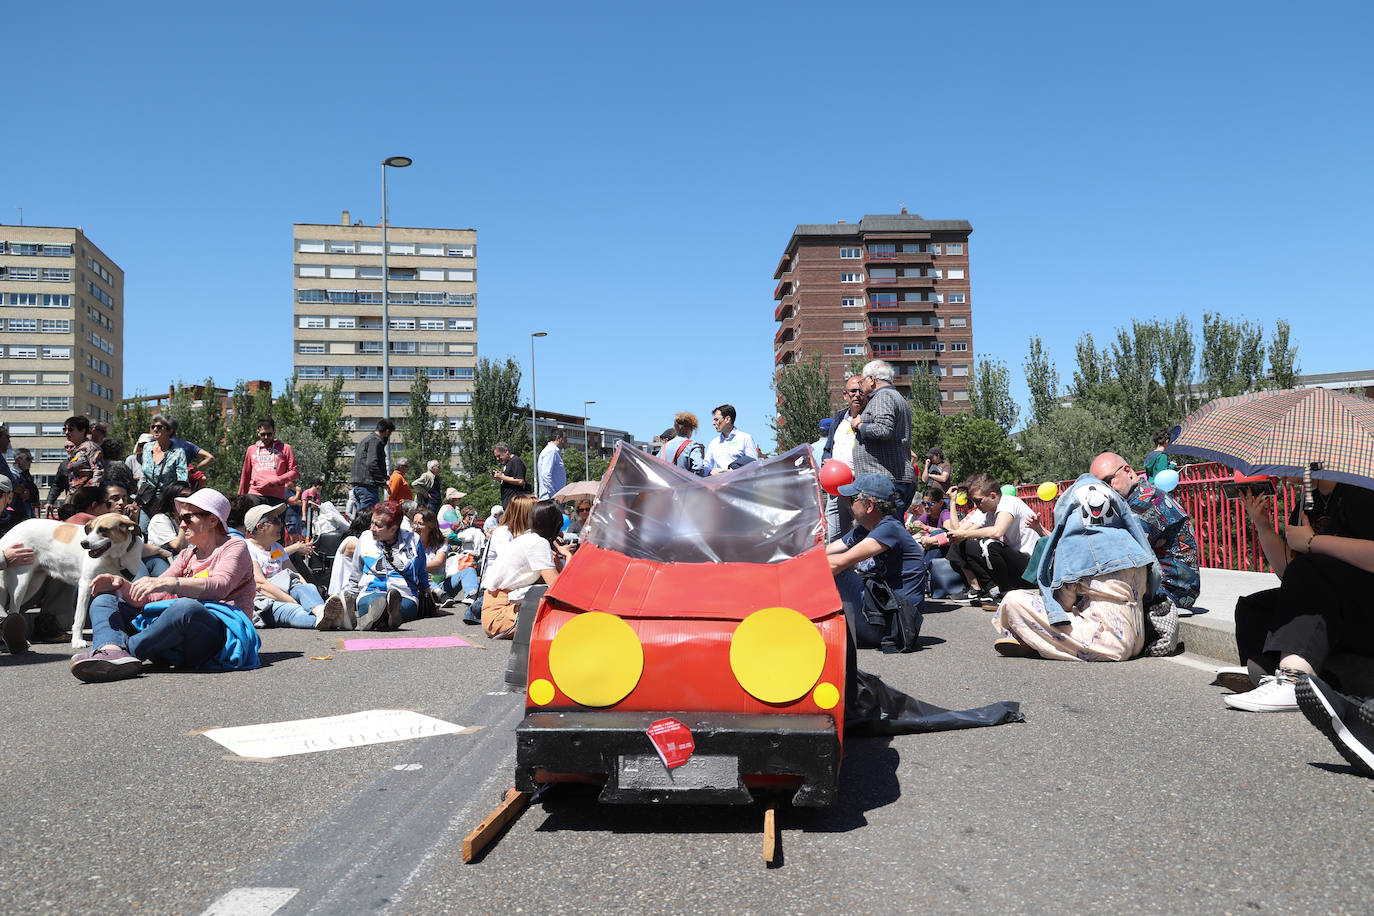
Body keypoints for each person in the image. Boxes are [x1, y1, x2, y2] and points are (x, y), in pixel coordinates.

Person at [69, 488, 260, 683]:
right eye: (180, 519)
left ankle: (125, 651)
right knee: (104, 599)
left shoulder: (235, 546)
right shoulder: (187, 554)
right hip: (169, 639)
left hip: (215, 640)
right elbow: (151, 598)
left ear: (213, 520)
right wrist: (121, 586)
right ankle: (110, 649)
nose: (182, 525)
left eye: (187, 518)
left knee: (186, 608)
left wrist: (168, 583)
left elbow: (221, 586)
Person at [1224, 475, 1374, 712]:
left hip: (1365, 610)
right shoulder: (1308, 500)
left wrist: (1313, 541)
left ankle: (1294, 678)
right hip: (1337, 611)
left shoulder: (1360, 493)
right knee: (1255, 607)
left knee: (1310, 567)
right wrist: (1263, 525)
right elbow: (1290, 574)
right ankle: (1266, 672)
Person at [991, 474, 1158, 662]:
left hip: (1104, 642)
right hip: (1136, 640)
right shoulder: (1133, 546)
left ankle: (1034, 640)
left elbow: (1063, 605)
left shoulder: (1077, 548)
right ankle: (1038, 640)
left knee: (1013, 599)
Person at [826, 473, 926, 653]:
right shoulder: (865, 529)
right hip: (881, 614)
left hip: (891, 627)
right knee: (828, 566)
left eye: (851, 499)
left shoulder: (890, 528)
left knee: (838, 570)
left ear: (869, 505)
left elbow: (839, 562)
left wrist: (793, 569)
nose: (847, 505)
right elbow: (826, 551)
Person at [1091, 452, 1200, 614]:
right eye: (1099, 487)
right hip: (1160, 586)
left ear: (1128, 471)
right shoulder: (1136, 497)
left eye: (1108, 481)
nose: (1105, 491)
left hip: (1172, 591)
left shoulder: (1147, 502)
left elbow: (1120, 552)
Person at [243, 502, 344, 630]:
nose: (281, 524)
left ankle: (321, 612)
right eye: (276, 521)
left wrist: (307, 589)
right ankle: (337, 620)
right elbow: (260, 585)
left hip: (286, 591)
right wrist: (292, 601)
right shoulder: (246, 548)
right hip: (266, 600)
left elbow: (294, 574)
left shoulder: (277, 548)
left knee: (307, 588)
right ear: (261, 526)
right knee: (295, 611)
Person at [946, 472, 1041, 607]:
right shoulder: (988, 511)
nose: (975, 505)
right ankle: (989, 590)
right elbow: (959, 532)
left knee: (989, 543)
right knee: (962, 544)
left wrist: (965, 534)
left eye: (978, 501)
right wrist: (952, 502)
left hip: (1030, 568)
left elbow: (997, 531)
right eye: (973, 501)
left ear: (992, 495)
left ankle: (1005, 594)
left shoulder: (1008, 502)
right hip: (1015, 565)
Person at [481, 498, 571, 639]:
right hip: (502, 615)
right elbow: (558, 590)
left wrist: (557, 562)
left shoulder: (527, 538)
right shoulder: (538, 543)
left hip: (495, 611)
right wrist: (569, 558)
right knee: (569, 620)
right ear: (556, 524)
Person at [340, 500, 425, 631]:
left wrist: (429, 599)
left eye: (378, 525)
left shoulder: (413, 540)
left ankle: (381, 617)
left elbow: (421, 574)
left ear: (393, 529)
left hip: (404, 594)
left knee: (399, 603)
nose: (372, 528)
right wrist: (348, 601)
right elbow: (356, 574)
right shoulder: (365, 537)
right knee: (377, 600)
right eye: (372, 522)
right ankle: (386, 617)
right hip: (370, 591)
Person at [848, 361, 916, 512]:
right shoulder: (895, 396)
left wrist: (859, 426)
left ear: (871, 380)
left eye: (862, 381)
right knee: (889, 530)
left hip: (884, 482)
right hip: (891, 478)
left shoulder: (882, 396)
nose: (860, 386)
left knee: (885, 530)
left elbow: (883, 430)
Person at [820, 377, 868, 541]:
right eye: (853, 391)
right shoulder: (839, 419)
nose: (857, 395)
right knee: (835, 539)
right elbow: (828, 449)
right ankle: (842, 567)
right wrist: (826, 461)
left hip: (862, 489)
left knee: (866, 538)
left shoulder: (870, 418)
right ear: (845, 395)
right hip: (837, 490)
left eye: (861, 391)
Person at [0, 477, 37, 654]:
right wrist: (3, 558)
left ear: (9, 497)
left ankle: (50, 624)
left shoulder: (21, 522)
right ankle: (4, 626)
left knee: (56, 568)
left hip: (21, 586)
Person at [238, 417, 299, 507]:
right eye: (263, 434)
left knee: (275, 521)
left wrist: (278, 480)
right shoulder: (251, 449)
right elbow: (245, 475)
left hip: (276, 497)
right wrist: (240, 498)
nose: (266, 437)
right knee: (254, 520)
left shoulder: (285, 448)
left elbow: (295, 472)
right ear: (258, 432)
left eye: (269, 434)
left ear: (274, 432)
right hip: (255, 494)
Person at [50, 416, 106, 506]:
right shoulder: (76, 450)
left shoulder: (91, 447)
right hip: (74, 494)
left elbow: (98, 471)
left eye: (70, 429)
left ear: (82, 431)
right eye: (65, 429)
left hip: (86, 496)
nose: (67, 433)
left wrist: (91, 495)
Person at [139, 415, 188, 515]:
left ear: (170, 431)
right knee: (143, 529)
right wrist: (140, 494)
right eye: (153, 427)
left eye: (159, 427)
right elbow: (143, 474)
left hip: (167, 504)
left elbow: (182, 481)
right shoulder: (147, 448)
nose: (155, 429)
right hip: (147, 500)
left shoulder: (178, 452)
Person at [350, 419, 394, 515]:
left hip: (358, 485)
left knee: (361, 518)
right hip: (368, 487)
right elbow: (372, 463)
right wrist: (383, 483)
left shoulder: (366, 440)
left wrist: (383, 476)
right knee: (368, 519)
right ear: (387, 432)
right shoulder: (376, 441)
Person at [704, 404, 760, 475]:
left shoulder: (745, 438)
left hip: (740, 484)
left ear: (727, 419)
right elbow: (706, 465)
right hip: (720, 485)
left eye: (716, 420)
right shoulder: (714, 443)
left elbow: (753, 464)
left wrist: (733, 472)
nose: (713, 423)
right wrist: (710, 472)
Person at [492, 442, 530, 508]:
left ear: (506, 451)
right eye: (496, 457)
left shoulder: (516, 461)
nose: (498, 459)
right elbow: (509, 480)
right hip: (508, 502)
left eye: (499, 456)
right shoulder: (508, 463)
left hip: (515, 503)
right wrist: (500, 479)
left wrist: (502, 476)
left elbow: (520, 481)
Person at [537, 429, 568, 499]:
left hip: (553, 499)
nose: (566, 441)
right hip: (550, 500)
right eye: (565, 438)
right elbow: (546, 475)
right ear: (558, 438)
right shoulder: (551, 451)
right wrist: (554, 496)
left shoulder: (553, 452)